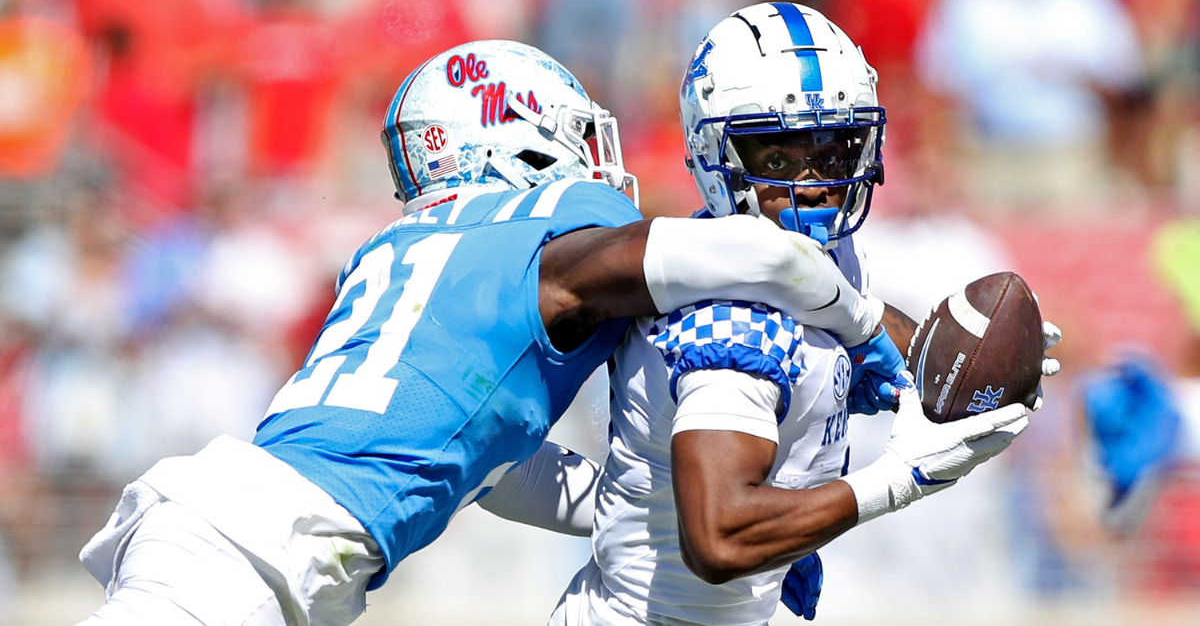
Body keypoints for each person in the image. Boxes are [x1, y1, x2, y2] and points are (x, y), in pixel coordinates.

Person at [75, 39, 906, 626]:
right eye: (577, 140)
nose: (597, 165)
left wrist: (635, 509)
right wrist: (864, 324)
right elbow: (760, 253)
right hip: (260, 556)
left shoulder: (393, 249)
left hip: (236, 520)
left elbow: (486, 467)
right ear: (524, 144)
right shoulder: (561, 218)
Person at [543, 4, 1039, 625]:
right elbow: (719, 539)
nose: (816, 185)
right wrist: (899, 478)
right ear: (711, 153)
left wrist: (973, 364)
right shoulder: (732, 325)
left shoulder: (818, 255)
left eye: (835, 152)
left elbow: (849, 316)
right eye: (778, 159)